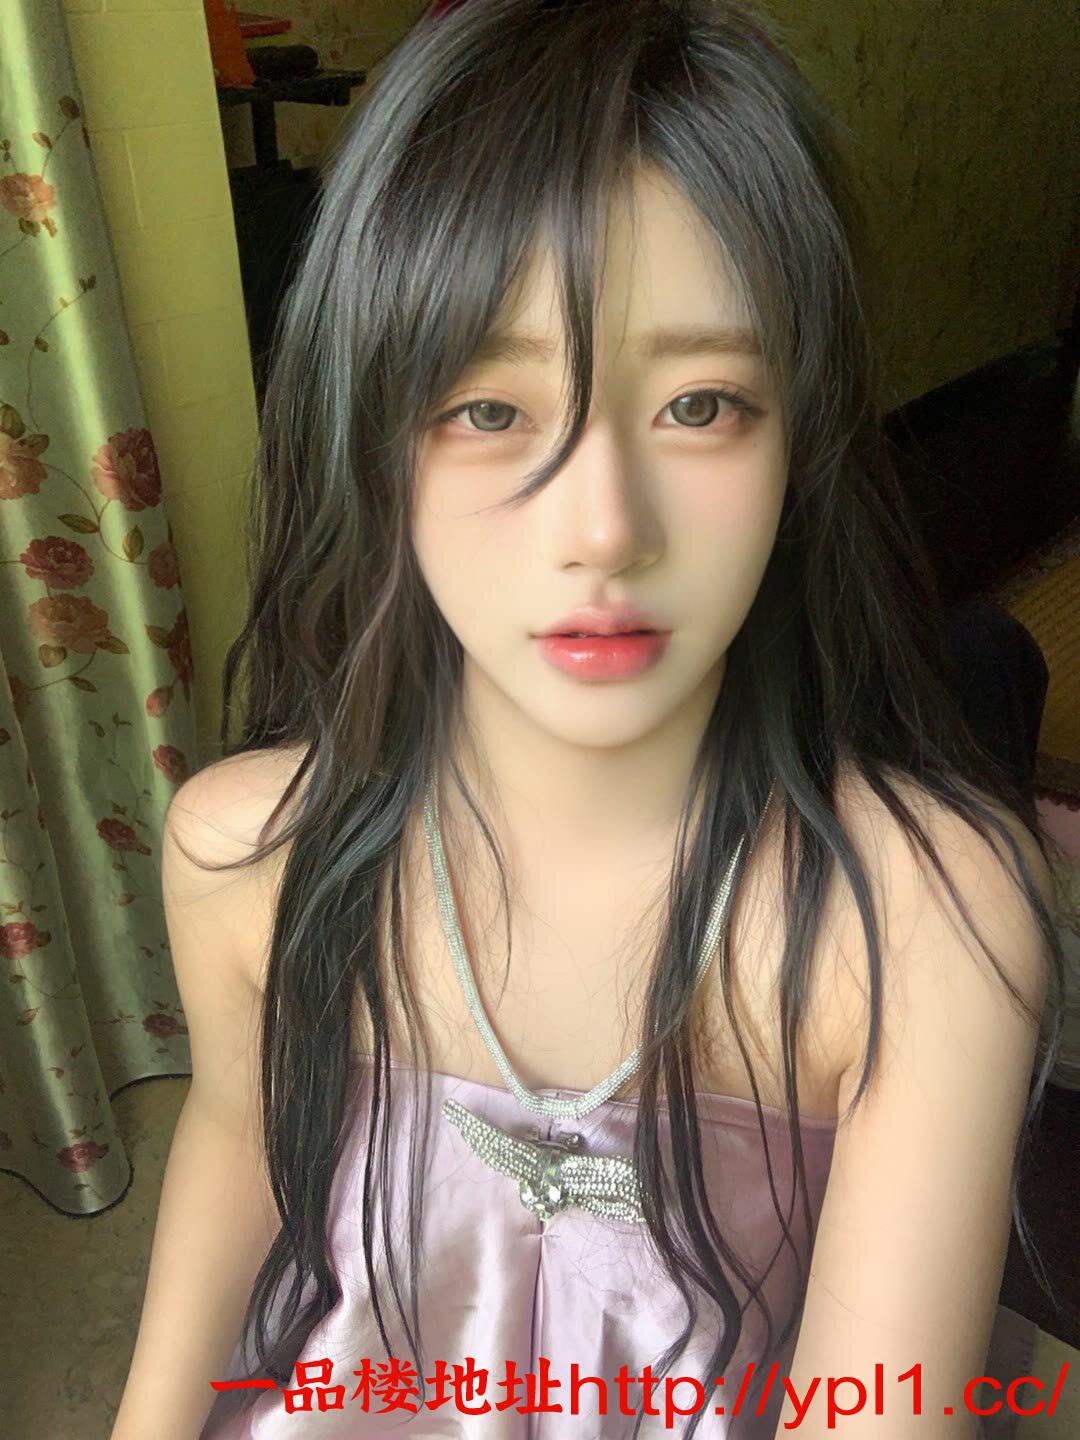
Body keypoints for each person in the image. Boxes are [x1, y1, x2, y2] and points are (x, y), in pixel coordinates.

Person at [110, 3, 1068, 1437]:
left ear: (801, 437)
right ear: (368, 434)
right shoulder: (246, 853)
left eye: (702, 404)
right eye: (490, 411)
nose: (605, 528)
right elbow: (242, 1133)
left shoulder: (922, 927)